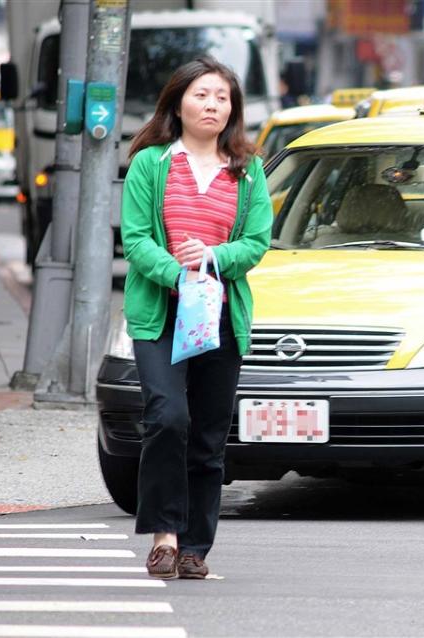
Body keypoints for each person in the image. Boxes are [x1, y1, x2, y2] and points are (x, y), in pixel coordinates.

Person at [121, 56, 271, 580]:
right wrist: (177, 274)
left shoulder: (247, 170)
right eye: (202, 94)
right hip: (161, 315)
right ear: (178, 101)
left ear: (233, 109)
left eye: (222, 97)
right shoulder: (151, 164)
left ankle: (194, 548)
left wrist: (210, 258)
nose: (212, 105)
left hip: (220, 318)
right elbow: (135, 238)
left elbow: (256, 243)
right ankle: (164, 534)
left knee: (208, 437)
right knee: (167, 417)